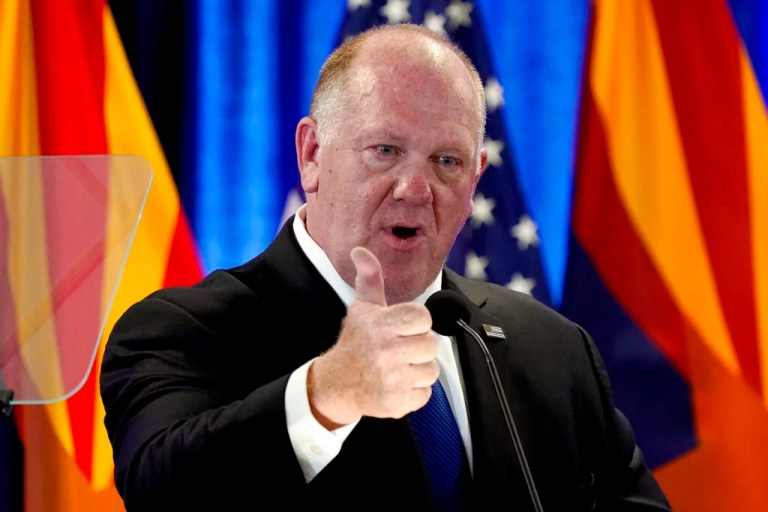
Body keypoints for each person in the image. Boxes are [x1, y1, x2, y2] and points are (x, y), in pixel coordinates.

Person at [99, 23, 672, 511]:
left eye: (446, 161)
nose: (415, 188)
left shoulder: (550, 348)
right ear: (312, 154)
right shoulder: (182, 329)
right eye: (385, 151)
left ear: (474, 182)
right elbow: (161, 491)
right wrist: (328, 394)